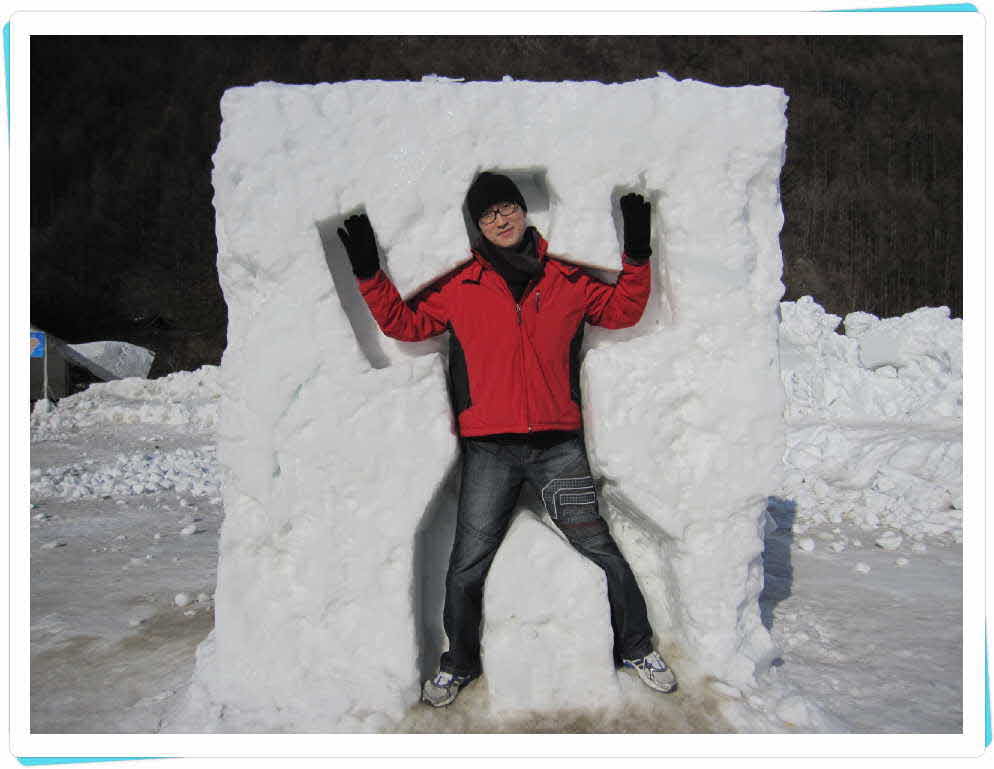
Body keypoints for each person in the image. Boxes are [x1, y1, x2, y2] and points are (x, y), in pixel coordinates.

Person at [337, 172, 677, 708]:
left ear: (523, 211)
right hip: (489, 450)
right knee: (466, 565)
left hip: (558, 447)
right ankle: (458, 663)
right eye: (489, 213)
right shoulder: (461, 287)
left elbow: (624, 310)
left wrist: (637, 251)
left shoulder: (566, 280)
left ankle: (637, 647)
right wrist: (367, 272)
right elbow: (404, 325)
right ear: (477, 225)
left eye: (508, 208)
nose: (501, 219)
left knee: (601, 548)